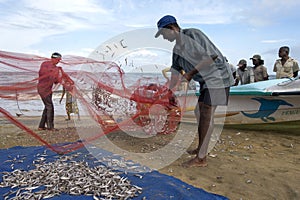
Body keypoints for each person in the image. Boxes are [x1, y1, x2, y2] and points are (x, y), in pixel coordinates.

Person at [155, 15, 234, 167]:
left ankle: (201, 158)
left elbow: (212, 56)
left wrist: (190, 74)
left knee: (205, 113)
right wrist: (168, 92)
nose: (164, 38)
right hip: (206, 82)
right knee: (199, 112)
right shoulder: (176, 50)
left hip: (219, 77)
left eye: (164, 34)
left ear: (172, 28)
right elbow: (175, 73)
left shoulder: (193, 34)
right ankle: (201, 149)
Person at [37, 52, 62, 131]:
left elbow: (55, 81)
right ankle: (50, 127)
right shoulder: (45, 64)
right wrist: (54, 72)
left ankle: (41, 126)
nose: (58, 61)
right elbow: (42, 73)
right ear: (53, 58)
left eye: (59, 60)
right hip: (42, 89)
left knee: (47, 107)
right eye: (57, 60)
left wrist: (59, 78)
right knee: (50, 107)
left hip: (48, 89)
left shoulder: (55, 68)